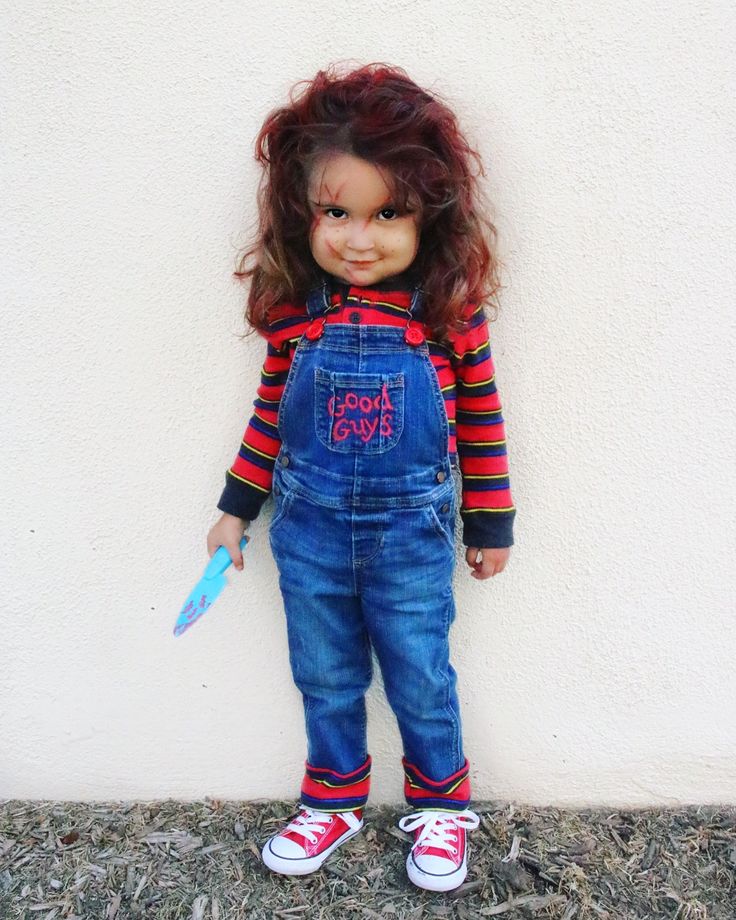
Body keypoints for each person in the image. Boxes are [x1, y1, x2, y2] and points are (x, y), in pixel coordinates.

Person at [206, 62, 516, 893]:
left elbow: (482, 422)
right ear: (302, 213)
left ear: (430, 219)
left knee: (420, 668)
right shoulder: (295, 318)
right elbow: (270, 419)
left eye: (388, 214)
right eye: (336, 212)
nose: (359, 236)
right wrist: (235, 510)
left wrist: (491, 522)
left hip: (411, 536)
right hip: (305, 531)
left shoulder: (446, 318)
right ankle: (334, 795)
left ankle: (444, 806)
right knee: (326, 672)